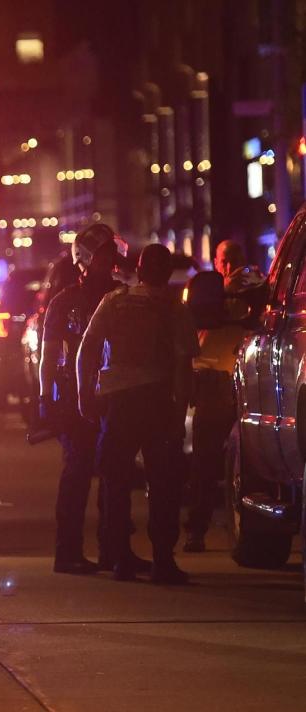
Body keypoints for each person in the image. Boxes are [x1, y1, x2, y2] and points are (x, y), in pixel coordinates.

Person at [77, 243, 197, 584]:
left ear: (139, 271)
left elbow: (87, 348)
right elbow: (182, 366)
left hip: (117, 401)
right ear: (168, 273)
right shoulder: (174, 309)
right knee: (163, 483)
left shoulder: (114, 301)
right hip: (156, 401)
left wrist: (85, 393)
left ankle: (120, 560)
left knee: (115, 484)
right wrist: (179, 412)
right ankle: (162, 560)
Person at [38, 222, 131, 574]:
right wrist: (46, 397)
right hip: (75, 400)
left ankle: (114, 549)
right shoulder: (65, 303)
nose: (112, 260)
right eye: (105, 253)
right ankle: (68, 553)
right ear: (87, 258)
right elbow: (49, 355)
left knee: (115, 473)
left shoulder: (123, 295)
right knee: (77, 473)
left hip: (114, 393)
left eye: (113, 253)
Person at [184, 240, 265, 551]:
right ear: (216, 263)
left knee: (253, 462)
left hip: (248, 385)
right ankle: (196, 530)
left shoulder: (255, 287)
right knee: (203, 462)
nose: (230, 266)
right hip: (215, 383)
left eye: (235, 259)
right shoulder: (207, 291)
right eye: (224, 260)